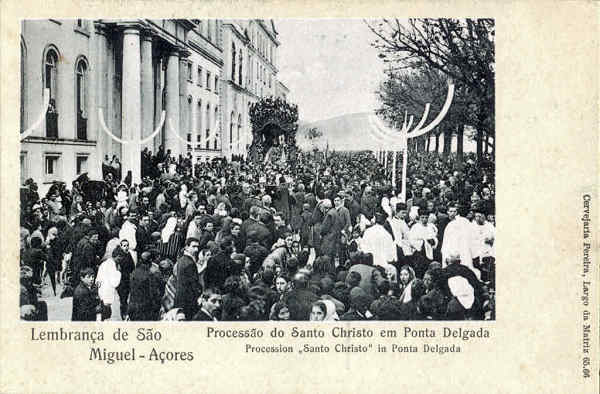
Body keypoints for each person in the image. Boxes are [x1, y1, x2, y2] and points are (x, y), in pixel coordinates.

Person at [174, 237, 202, 320]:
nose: (196, 249)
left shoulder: (181, 259)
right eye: (193, 247)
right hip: (188, 300)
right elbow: (193, 284)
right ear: (186, 247)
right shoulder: (189, 263)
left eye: (197, 247)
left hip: (180, 297)